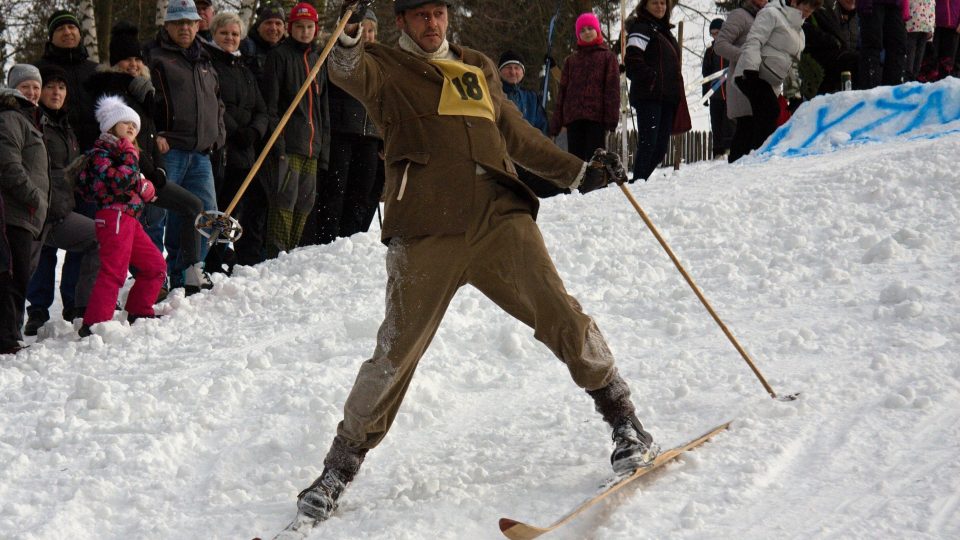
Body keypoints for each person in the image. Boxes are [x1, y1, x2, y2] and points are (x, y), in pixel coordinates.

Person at [293, 0, 655, 524]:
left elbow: (513, 132)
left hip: (499, 218)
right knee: (395, 351)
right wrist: (345, 32)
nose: (432, 23)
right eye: (420, 16)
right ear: (402, 22)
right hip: (424, 228)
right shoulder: (384, 67)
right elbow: (346, 69)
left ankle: (624, 420)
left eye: (438, 13)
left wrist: (578, 171)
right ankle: (337, 469)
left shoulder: (478, 66)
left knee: (558, 309)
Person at [88, 21, 206, 299]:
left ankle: (189, 271)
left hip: (150, 172)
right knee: (145, 225)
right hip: (126, 179)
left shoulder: (144, 90)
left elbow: (149, 137)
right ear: (115, 63)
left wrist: (159, 167)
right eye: (126, 59)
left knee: (192, 206)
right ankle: (150, 281)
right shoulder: (112, 93)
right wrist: (150, 171)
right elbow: (124, 143)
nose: (132, 64)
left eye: (136, 59)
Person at [148, 0, 225, 294]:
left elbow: (217, 102)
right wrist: (154, 136)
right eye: (178, 23)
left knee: (206, 214)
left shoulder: (205, 59)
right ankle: (154, 277)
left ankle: (187, 272)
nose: (184, 28)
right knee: (156, 216)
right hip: (169, 151)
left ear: (197, 25)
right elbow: (143, 103)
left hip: (201, 154)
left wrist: (218, 134)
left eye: (189, 22)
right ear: (167, 26)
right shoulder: (154, 57)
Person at [76, 96, 166, 335]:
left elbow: (130, 181)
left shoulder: (126, 153)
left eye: (134, 125)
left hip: (130, 220)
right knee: (114, 270)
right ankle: (95, 323)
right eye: (125, 123)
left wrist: (144, 187)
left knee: (155, 266)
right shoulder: (101, 152)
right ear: (111, 126)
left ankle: (139, 309)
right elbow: (118, 181)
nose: (131, 128)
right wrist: (133, 168)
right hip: (113, 217)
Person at [23, 64, 100, 336]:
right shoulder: (31, 120)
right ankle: (37, 311)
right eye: (50, 87)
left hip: (61, 208)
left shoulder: (65, 124)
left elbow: (66, 169)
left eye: (62, 87)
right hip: (34, 209)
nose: (56, 92)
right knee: (33, 263)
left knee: (96, 238)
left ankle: (79, 307)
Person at [260, 2, 330, 255]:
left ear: (316, 29)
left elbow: (323, 111)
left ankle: (294, 250)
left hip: (312, 144)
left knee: (305, 202)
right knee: (284, 201)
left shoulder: (317, 59)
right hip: (287, 143)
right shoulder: (279, 56)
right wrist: (277, 142)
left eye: (309, 26)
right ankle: (277, 253)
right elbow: (271, 105)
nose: (304, 31)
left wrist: (324, 150)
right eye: (299, 27)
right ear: (291, 29)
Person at [204, 12, 270, 273]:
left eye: (234, 34)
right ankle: (209, 258)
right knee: (219, 206)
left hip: (246, 151)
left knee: (239, 207)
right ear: (214, 34)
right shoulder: (209, 64)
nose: (230, 38)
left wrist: (254, 131)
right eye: (224, 33)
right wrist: (235, 130)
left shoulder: (244, 70)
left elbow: (261, 109)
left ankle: (230, 255)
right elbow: (214, 103)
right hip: (222, 148)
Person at [316, 9, 384, 244]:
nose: (367, 35)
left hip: (371, 135)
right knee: (335, 189)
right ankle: (327, 239)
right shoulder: (337, 53)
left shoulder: (381, 61)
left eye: (371, 30)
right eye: (362, 29)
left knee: (363, 192)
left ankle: (353, 239)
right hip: (341, 130)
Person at [0, 67, 50, 354]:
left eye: (35, 87)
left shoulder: (28, 120)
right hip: (13, 211)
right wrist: (35, 199)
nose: (32, 92)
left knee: (19, 275)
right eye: (25, 87)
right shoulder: (10, 118)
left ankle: (10, 335)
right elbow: (8, 165)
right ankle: (6, 339)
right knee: (10, 276)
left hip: (26, 214)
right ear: (13, 89)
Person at [734, 0, 822, 155]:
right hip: (751, 74)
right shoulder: (771, 13)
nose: (807, 14)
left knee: (758, 119)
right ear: (795, 2)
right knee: (769, 110)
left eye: (811, 12)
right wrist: (751, 70)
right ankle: (760, 155)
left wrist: (794, 93)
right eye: (805, 9)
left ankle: (747, 155)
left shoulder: (800, 33)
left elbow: (793, 65)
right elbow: (754, 40)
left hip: (771, 81)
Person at [237, 2, 287, 266]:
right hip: (250, 131)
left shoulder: (284, 52)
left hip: (272, 131)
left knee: (265, 196)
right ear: (259, 24)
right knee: (249, 194)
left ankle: (255, 252)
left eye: (279, 23)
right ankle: (243, 251)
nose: (274, 28)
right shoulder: (248, 48)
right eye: (269, 23)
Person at [625, 0, 687, 181]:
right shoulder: (642, 28)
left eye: (662, 3)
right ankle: (638, 182)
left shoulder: (665, 32)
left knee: (660, 149)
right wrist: (651, 78)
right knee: (649, 144)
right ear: (645, 6)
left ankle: (640, 180)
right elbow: (632, 60)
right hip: (649, 96)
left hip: (668, 97)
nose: (660, 7)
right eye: (655, 3)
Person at [548, 12, 621, 161]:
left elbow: (612, 90)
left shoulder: (608, 57)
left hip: (596, 117)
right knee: (576, 161)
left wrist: (611, 119)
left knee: (595, 159)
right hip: (573, 118)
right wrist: (557, 122)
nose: (586, 32)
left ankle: (598, 184)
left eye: (590, 28)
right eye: (582, 30)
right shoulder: (571, 60)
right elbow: (563, 91)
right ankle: (578, 185)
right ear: (577, 34)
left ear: (597, 30)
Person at [498, 49, 567, 198]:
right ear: (500, 72)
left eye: (517, 68)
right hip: (504, 157)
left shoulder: (531, 98)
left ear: (522, 72)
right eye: (508, 68)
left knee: (557, 187)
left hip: (529, 157)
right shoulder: (495, 96)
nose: (513, 72)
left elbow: (541, 128)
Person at [34, 10, 100, 152]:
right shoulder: (38, 70)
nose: (67, 32)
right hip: (56, 150)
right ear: (51, 37)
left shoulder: (96, 70)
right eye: (60, 29)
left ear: (79, 33)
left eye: (72, 27)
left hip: (97, 151)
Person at [714, 0, 769, 163]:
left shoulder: (766, 17)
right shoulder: (740, 15)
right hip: (743, 81)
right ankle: (735, 172)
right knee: (746, 128)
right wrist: (745, 57)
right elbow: (720, 45)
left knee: (755, 131)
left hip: (761, 80)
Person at [802, 0, 861, 94]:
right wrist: (833, 41)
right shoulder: (824, 9)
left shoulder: (861, 16)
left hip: (847, 64)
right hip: (824, 68)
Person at [702, 18, 736, 157]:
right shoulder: (710, 51)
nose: (716, 36)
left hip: (731, 93)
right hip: (715, 94)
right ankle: (717, 152)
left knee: (729, 122)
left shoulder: (732, 47)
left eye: (718, 32)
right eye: (713, 33)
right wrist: (705, 95)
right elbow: (706, 74)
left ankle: (730, 150)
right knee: (716, 123)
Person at [856, 0, 907, 88]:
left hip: (895, 5)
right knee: (872, 45)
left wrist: (904, 4)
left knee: (898, 46)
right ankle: (870, 91)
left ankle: (893, 91)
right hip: (871, 4)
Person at [904, 0, 935, 81]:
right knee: (918, 52)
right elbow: (932, 8)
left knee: (912, 51)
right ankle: (913, 75)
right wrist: (931, 29)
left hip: (913, 23)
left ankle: (910, 76)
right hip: (924, 24)